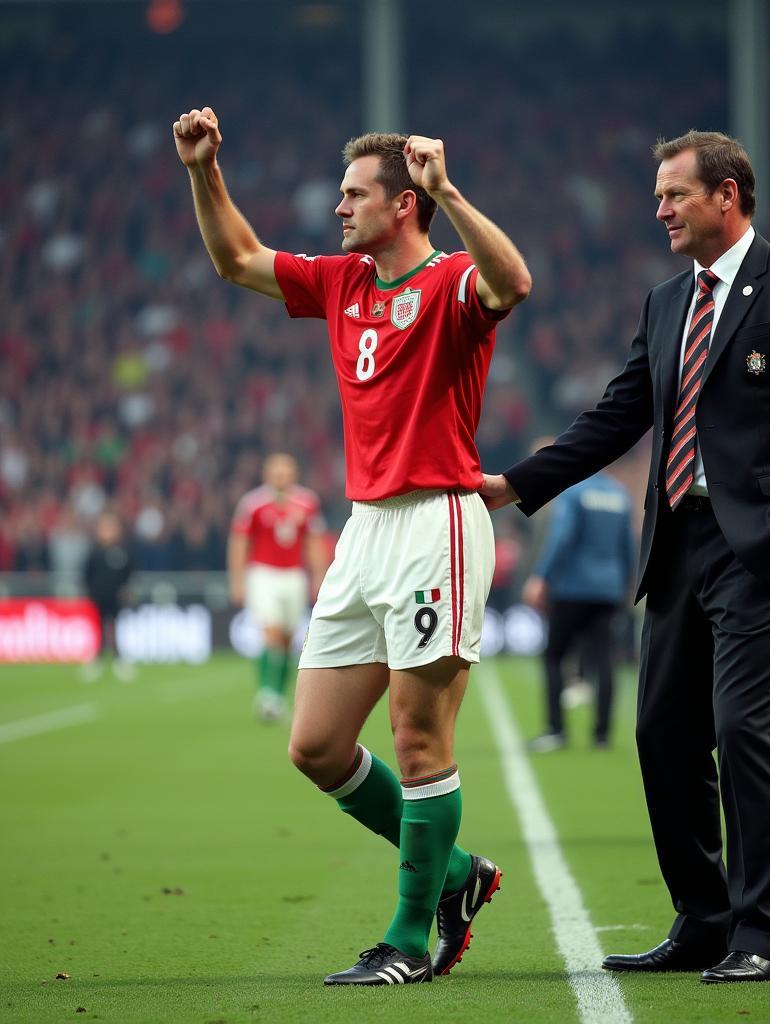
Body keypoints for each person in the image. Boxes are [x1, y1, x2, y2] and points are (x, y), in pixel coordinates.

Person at [482, 130, 770, 983]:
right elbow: (619, 415)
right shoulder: (666, 302)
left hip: (764, 549)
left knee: (745, 734)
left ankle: (764, 935)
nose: (658, 208)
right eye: (658, 194)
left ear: (726, 196)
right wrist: (515, 484)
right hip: (676, 544)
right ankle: (703, 920)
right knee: (662, 734)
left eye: (673, 194)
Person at [174, 108, 530, 985]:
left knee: (417, 741)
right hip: (365, 528)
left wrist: (451, 192)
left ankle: (410, 940)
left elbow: (514, 281)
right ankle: (455, 874)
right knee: (318, 746)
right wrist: (202, 169)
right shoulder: (341, 281)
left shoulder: (450, 281)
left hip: (437, 520)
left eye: (354, 195)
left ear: (404, 205)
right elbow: (237, 259)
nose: (339, 209)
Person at [521, 468, 634, 752]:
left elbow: (562, 538)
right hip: (609, 589)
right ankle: (602, 734)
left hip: (573, 588)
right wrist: (625, 584)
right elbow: (628, 548)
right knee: (605, 660)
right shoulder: (620, 495)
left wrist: (541, 577)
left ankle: (556, 730)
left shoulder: (574, 493)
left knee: (554, 655)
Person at [228, 453, 328, 722]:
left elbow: (314, 541)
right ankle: (266, 694)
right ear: (266, 474)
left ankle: (278, 697)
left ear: (294, 474)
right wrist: (237, 581)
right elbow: (239, 542)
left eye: (286, 471)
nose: (281, 476)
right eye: (276, 471)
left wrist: (319, 578)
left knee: (285, 639)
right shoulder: (253, 504)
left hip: (294, 576)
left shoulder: (307, 502)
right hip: (263, 574)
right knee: (270, 632)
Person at [81, 510, 136, 682]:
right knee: (99, 627)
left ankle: (118, 659)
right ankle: (97, 659)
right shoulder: (95, 552)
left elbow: (129, 573)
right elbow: (87, 574)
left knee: (115, 628)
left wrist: (126, 590)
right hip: (99, 597)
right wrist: (91, 592)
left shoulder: (123, 552)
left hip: (116, 598)